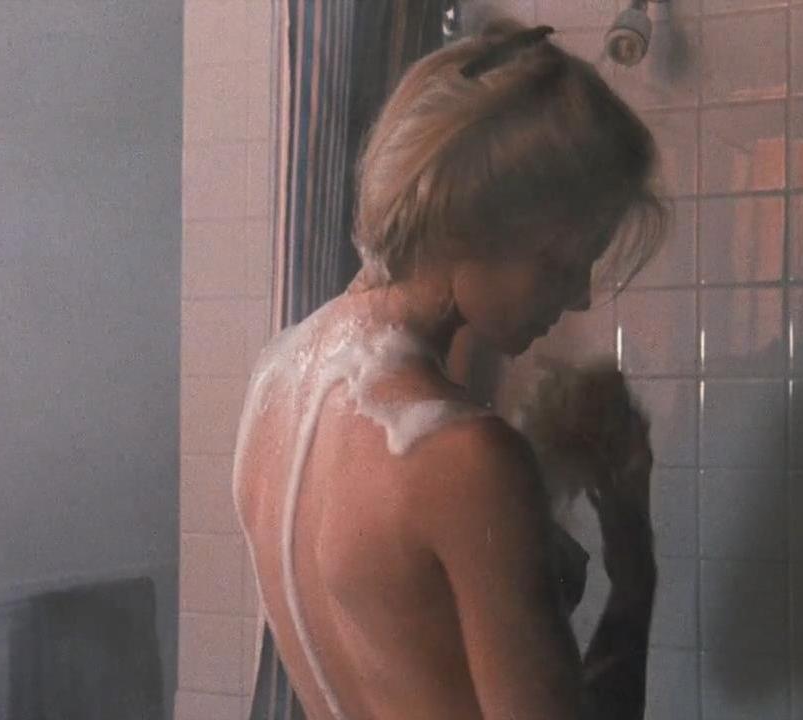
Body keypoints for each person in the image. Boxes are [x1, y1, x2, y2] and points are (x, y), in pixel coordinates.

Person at [232, 15, 666, 720]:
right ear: (481, 221)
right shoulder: (467, 457)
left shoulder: (273, 384)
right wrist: (635, 571)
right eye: (568, 256)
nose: (581, 293)